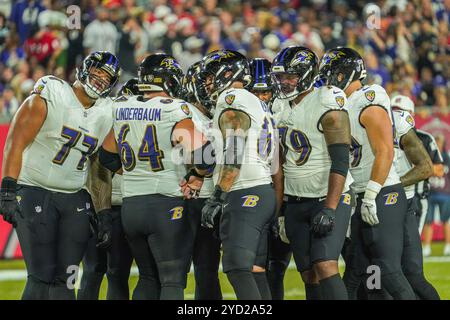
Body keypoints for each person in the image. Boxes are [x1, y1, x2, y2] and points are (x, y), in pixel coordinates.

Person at [0, 51, 121, 300]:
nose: (100, 80)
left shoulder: (107, 111)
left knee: (66, 280)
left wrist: (104, 212)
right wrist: (8, 189)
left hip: (74, 198)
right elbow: (15, 141)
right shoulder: (52, 92)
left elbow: (99, 164)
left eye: (107, 78)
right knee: (40, 277)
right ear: (84, 69)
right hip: (34, 190)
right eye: (98, 72)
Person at [99, 53, 214, 300]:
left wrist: (134, 172)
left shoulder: (122, 106)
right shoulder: (173, 109)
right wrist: (197, 175)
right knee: (172, 279)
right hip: (166, 203)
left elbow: (107, 156)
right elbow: (204, 155)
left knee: (148, 277)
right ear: (170, 80)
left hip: (131, 206)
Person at [319, 47, 415, 300]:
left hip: (382, 192)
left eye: (334, 73)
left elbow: (385, 151)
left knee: (389, 270)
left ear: (348, 73)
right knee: (355, 271)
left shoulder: (368, 99)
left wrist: (372, 194)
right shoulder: (343, 103)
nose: (329, 79)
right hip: (359, 193)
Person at [187, 49, 276, 300]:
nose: (207, 83)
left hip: (244, 189)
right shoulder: (254, 100)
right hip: (261, 188)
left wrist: (217, 196)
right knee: (254, 271)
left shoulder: (232, 98)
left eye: (211, 76)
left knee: (236, 266)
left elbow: (235, 150)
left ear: (228, 74)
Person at [271, 46, 352, 300]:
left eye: (290, 76)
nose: (284, 82)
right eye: (281, 77)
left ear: (306, 74)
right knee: (308, 273)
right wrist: (282, 209)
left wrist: (330, 207)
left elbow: (341, 159)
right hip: (296, 201)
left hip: (325, 197)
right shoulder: (279, 107)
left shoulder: (326, 99)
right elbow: (281, 164)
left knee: (325, 264)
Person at [77, 79, 138, 300]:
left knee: (108, 272)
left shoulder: (112, 114)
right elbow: (97, 165)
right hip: (106, 204)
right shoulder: (106, 117)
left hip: (118, 204)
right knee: (101, 271)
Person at [249, 57, 292, 300]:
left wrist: (277, 212)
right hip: (257, 193)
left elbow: (280, 167)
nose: (261, 97)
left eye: (265, 91)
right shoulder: (242, 113)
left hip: (283, 195)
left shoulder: (281, 110)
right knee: (255, 267)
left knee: (276, 266)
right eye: (256, 91)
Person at [390, 94, 440, 300]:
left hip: (415, 200)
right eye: (393, 109)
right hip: (391, 201)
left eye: (401, 111)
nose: (396, 114)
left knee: (409, 264)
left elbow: (435, 168)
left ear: (411, 114)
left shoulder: (424, 138)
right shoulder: (381, 132)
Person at [181, 61, 222, 300]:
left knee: (207, 271)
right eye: (207, 82)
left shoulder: (220, 113)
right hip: (184, 199)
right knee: (174, 273)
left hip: (209, 198)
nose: (212, 88)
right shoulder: (184, 112)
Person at [423, 134, 450, 257]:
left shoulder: (447, 158)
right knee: (428, 222)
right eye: (436, 142)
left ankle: (448, 246)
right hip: (430, 194)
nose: (438, 144)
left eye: (440, 142)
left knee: (445, 221)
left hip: (444, 194)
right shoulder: (429, 157)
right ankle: (427, 247)